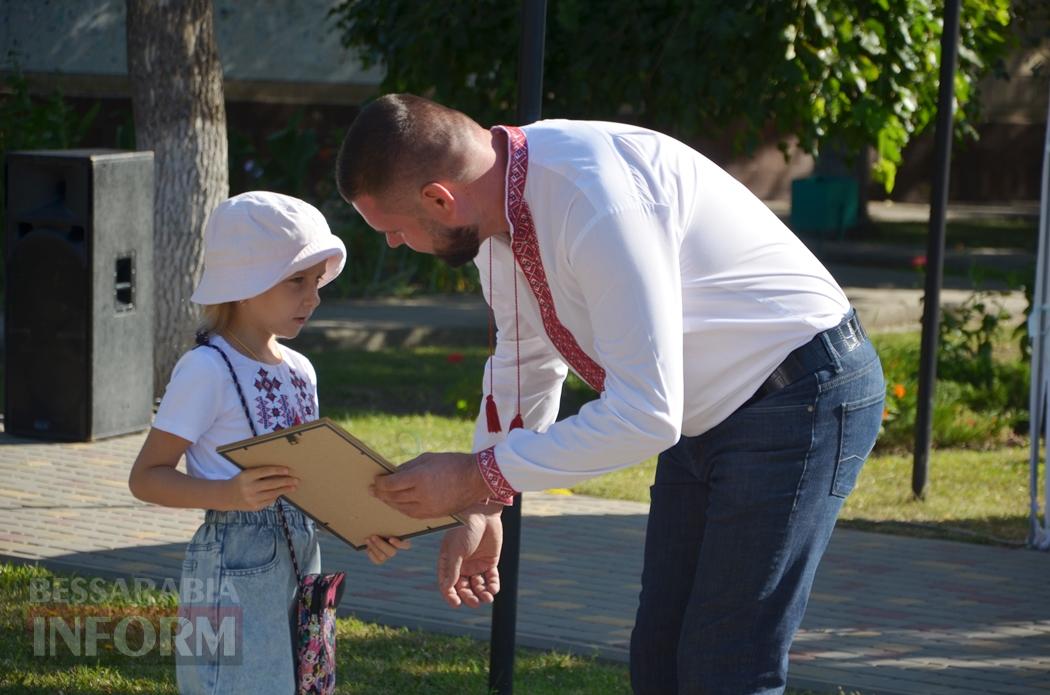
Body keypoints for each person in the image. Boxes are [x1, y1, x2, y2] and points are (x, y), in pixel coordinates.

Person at [336, 94, 885, 694]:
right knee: (659, 657)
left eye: (393, 229)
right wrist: (484, 503)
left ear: (440, 198)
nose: (392, 244)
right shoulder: (499, 211)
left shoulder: (595, 199)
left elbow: (645, 414)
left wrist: (481, 476)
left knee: (725, 664)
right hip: (709, 413)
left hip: (796, 393)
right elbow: (523, 358)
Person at [128, 191, 410, 694]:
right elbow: (146, 478)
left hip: (302, 555)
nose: (314, 296)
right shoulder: (206, 368)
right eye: (296, 281)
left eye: (317, 280)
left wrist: (365, 526)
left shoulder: (301, 369)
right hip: (232, 564)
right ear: (242, 284)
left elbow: (314, 479)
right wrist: (226, 495)